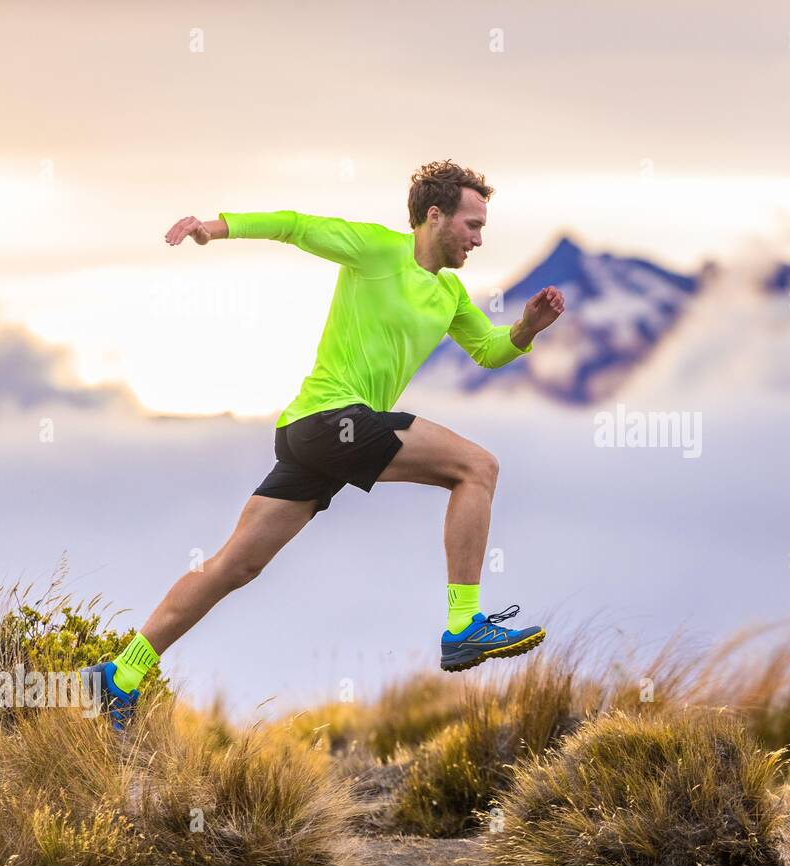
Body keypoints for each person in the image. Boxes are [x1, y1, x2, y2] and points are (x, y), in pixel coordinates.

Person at [81, 160, 565, 730]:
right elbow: (294, 225)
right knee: (478, 468)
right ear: (434, 217)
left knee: (233, 569)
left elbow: (487, 349)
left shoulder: (449, 292)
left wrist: (528, 327)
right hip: (332, 420)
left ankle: (119, 675)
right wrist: (217, 226)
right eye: (472, 224)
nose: (479, 239)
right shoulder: (377, 249)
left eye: (483, 228)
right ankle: (463, 624)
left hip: (311, 438)